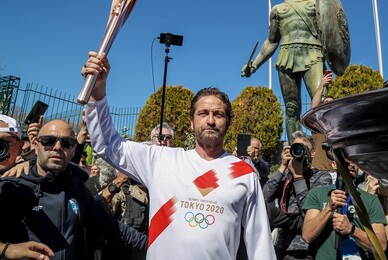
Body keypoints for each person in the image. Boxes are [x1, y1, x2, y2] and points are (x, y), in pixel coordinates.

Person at [82, 51, 276, 260]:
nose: (210, 120)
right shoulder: (160, 160)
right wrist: (97, 92)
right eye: (203, 113)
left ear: (227, 123)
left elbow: (260, 245)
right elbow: (108, 145)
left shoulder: (244, 173)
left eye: (218, 114)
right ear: (191, 122)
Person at [242, 0, 349, 145]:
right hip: (287, 56)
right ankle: (295, 151)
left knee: (322, 102)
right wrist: (254, 65)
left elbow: (333, 30)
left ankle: (326, 149)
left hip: (313, 54)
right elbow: (271, 42)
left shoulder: (317, 3)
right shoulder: (278, 10)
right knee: (291, 107)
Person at [0, 118, 147, 259]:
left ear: (73, 149)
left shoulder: (78, 189)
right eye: (48, 140)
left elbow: (114, 229)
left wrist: (156, 244)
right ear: (36, 146)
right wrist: (6, 249)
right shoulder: (12, 186)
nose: (57, 147)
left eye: (66, 142)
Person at [263, 130, 332, 259]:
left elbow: (309, 212)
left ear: (312, 152)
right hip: (281, 245)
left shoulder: (321, 177)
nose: (298, 152)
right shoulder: (286, 175)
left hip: (303, 249)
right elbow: (265, 197)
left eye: (303, 148)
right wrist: (282, 167)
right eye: (295, 148)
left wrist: (298, 177)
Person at [302, 160, 387, 260]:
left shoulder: (370, 200)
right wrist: (329, 208)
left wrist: (351, 230)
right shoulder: (317, 194)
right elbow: (307, 235)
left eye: (354, 161)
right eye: (345, 160)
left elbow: (381, 246)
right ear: (334, 164)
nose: (351, 164)